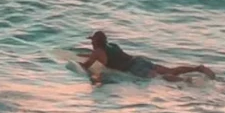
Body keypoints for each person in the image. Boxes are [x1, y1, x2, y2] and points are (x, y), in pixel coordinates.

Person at [79, 31, 215, 82]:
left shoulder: (98, 52)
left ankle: (185, 81)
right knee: (169, 70)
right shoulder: (112, 46)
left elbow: (88, 65)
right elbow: (103, 57)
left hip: (134, 69)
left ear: (96, 42)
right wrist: (87, 55)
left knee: (160, 77)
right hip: (139, 60)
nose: (91, 42)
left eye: (92, 40)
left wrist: (81, 66)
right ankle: (198, 68)